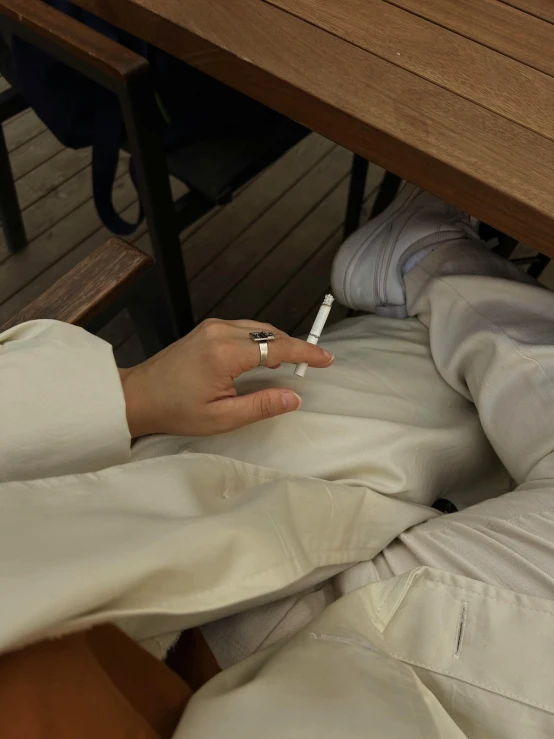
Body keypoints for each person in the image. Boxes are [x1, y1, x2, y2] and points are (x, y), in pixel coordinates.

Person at [1, 183, 553, 738]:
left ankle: (421, 263)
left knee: (403, 358)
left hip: (147, 547)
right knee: (446, 367)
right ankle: (426, 259)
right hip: (345, 692)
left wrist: (131, 393)